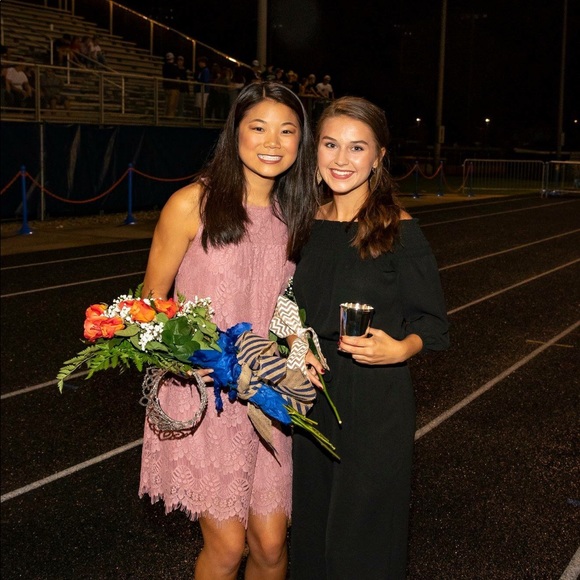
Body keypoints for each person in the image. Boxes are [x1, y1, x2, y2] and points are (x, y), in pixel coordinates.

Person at [138, 81, 318, 580]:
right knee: (227, 548)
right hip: (204, 397)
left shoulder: (297, 214)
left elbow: (291, 306)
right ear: (235, 132)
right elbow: (149, 306)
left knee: (271, 546)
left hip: (267, 393)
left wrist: (299, 347)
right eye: (258, 128)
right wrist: (193, 357)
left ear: (300, 141)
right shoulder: (190, 204)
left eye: (287, 131)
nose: (272, 142)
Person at [290, 96, 450, 579]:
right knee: (312, 528)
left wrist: (400, 348)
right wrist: (293, 345)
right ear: (315, 150)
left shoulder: (399, 229)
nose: (342, 159)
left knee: (362, 536)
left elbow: (433, 324)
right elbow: (288, 307)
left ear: (379, 157)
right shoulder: (305, 223)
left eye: (357, 148)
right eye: (331, 144)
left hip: (375, 399)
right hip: (311, 395)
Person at [162, 52, 179, 117]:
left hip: (167, 86)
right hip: (173, 86)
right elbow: (176, 75)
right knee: (172, 103)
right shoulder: (174, 66)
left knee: (167, 102)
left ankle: (167, 115)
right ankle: (170, 116)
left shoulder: (165, 66)